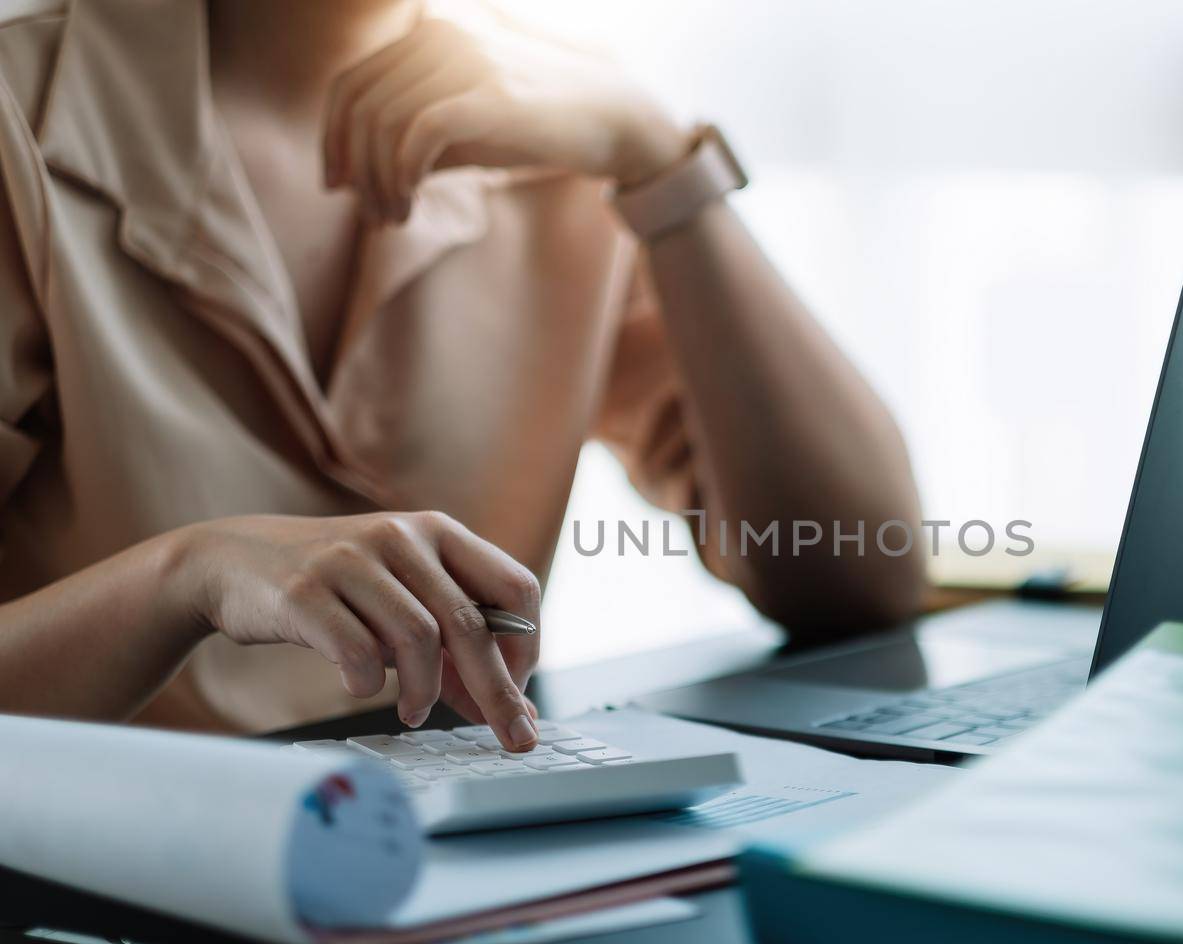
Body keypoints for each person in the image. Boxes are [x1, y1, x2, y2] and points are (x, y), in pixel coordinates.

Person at [0, 0, 923, 751]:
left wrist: (656, 157)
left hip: (462, 870)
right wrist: (186, 576)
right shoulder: (22, 121)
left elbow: (857, 573)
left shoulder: (557, 122)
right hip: (95, 921)